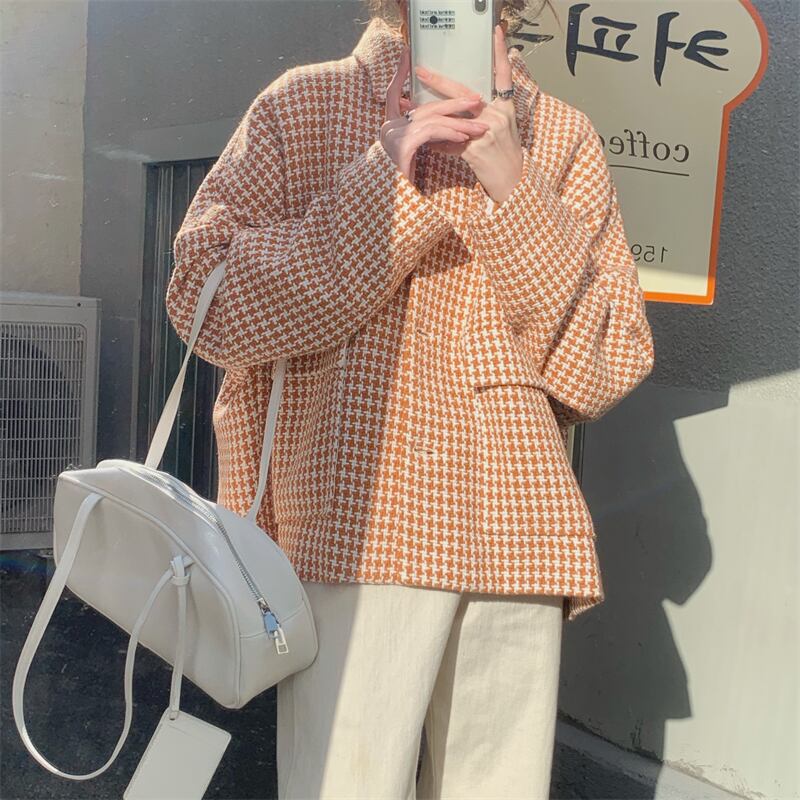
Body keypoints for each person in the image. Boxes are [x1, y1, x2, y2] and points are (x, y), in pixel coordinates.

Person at [164, 0, 655, 797]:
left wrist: (514, 184)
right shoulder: (307, 102)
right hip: (358, 522)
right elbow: (204, 302)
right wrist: (381, 175)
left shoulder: (562, 136)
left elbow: (605, 365)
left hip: (516, 535)